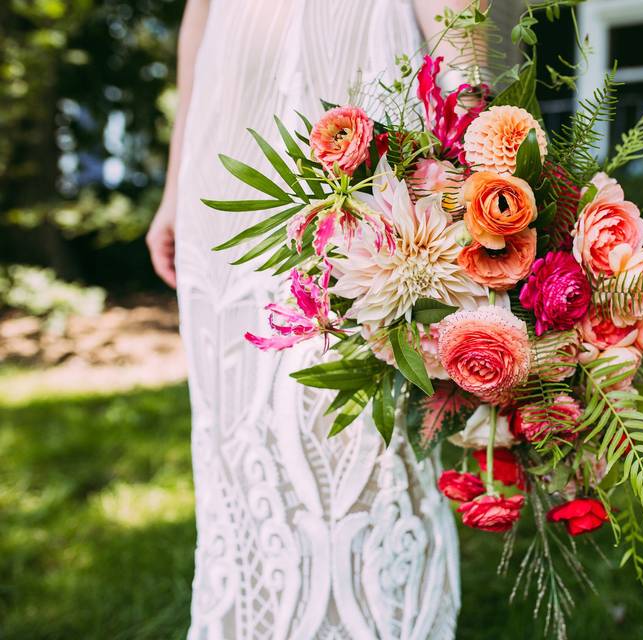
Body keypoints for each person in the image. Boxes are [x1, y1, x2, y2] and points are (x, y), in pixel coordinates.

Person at [145, 1, 479, 637]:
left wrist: (479, 154)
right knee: (238, 445)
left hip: (361, 91)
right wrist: (173, 188)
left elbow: (457, 22)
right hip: (228, 137)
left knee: (356, 429)